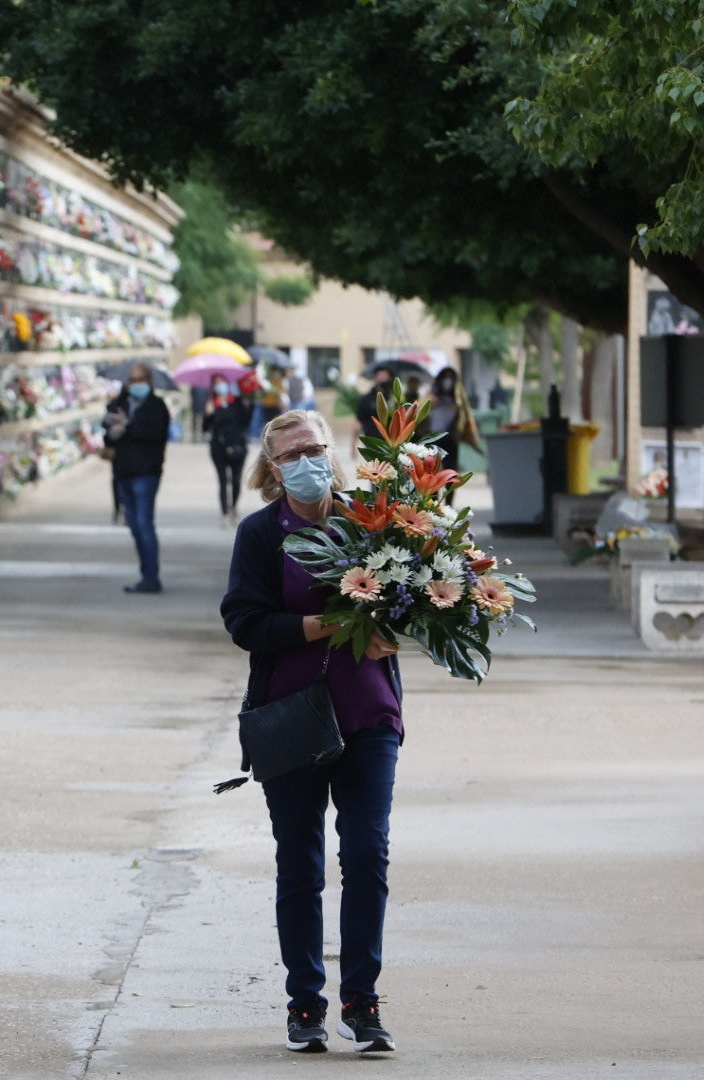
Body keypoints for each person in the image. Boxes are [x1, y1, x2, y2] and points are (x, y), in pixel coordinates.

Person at [219, 410, 403, 1056]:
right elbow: (244, 621)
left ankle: (363, 1001)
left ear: (333, 452)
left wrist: (396, 627)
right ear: (272, 468)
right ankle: (306, 1004)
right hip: (290, 719)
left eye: (316, 449)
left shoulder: (374, 523)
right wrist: (325, 625)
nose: (306, 460)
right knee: (299, 864)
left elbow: (410, 600)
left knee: (367, 855)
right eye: (292, 453)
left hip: (367, 713)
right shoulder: (262, 534)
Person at [103, 364, 170, 593]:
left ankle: (151, 578)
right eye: (132, 380)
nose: (136, 384)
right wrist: (112, 433)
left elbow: (156, 435)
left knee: (144, 524)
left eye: (141, 379)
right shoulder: (118, 405)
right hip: (122, 472)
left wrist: (128, 426)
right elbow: (109, 436)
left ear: (149, 381)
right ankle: (146, 575)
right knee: (133, 525)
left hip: (146, 472)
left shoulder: (157, 407)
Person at [426, 367, 481, 506]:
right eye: (445, 377)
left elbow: (466, 416)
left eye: (451, 378)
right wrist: (432, 403)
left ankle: (448, 506)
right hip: (433, 439)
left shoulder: (458, 398)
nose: (447, 381)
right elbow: (420, 411)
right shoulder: (431, 396)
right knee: (431, 475)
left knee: (450, 475)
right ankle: (432, 505)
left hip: (450, 440)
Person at [203, 375, 251, 524]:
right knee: (223, 480)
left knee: (236, 479)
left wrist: (248, 405)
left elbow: (246, 422)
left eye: (222, 382)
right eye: (216, 383)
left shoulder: (236, 402)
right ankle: (224, 511)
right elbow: (205, 428)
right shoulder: (212, 404)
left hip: (237, 445)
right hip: (219, 446)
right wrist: (208, 414)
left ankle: (233, 506)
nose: (220, 386)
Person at [353, 368, 394, 447]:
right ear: (375, 378)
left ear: (390, 379)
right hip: (372, 444)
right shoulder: (366, 399)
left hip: (391, 444)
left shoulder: (393, 398)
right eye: (380, 375)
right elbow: (358, 422)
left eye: (386, 376)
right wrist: (353, 444)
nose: (383, 378)